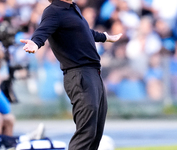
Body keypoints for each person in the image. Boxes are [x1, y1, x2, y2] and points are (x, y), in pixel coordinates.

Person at [20, 0, 122, 149]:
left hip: (93, 73)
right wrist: (35, 43)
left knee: (95, 132)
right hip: (79, 75)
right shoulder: (53, 10)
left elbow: (84, 32)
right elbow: (43, 31)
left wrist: (105, 37)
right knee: (86, 133)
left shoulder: (72, 8)